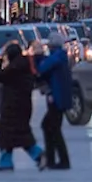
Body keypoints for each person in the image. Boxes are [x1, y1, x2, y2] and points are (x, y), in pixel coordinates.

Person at [0, 42, 45, 171]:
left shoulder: (15, 68)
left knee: (10, 134)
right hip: (21, 106)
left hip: (12, 107)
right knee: (18, 134)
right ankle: (35, 155)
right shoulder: (23, 66)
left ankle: (37, 155)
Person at [35, 33, 72, 170]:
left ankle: (62, 160)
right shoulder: (59, 57)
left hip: (57, 98)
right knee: (49, 126)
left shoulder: (56, 58)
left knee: (52, 127)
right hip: (58, 97)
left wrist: (38, 58)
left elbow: (42, 69)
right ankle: (53, 159)